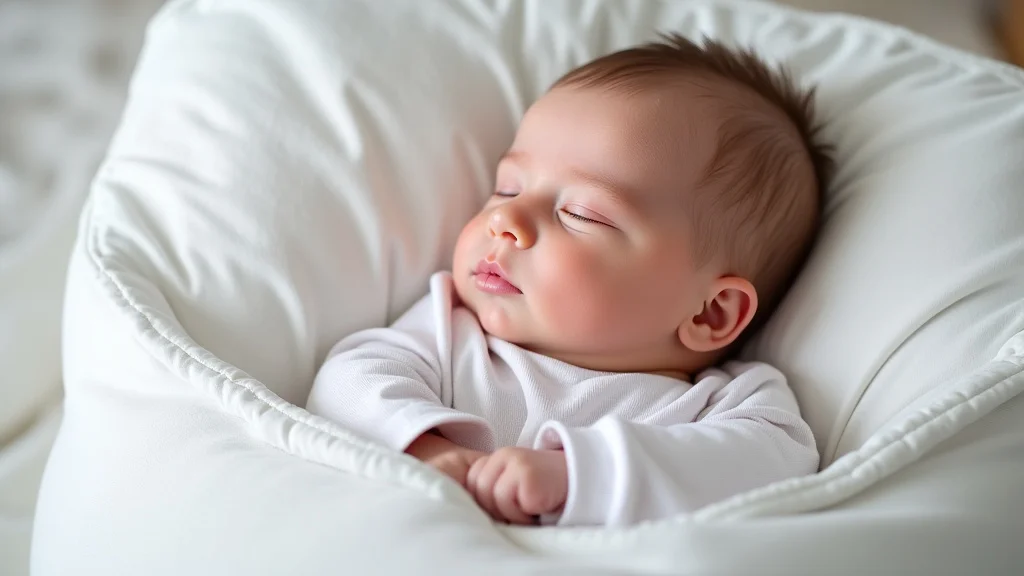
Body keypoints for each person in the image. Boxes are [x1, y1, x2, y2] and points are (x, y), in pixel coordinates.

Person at [306, 34, 834, 527]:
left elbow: (777, 466)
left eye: (581, 213)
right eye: (507, 189)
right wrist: (432, 450)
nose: (504, 222)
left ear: (709, 312)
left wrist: (575, 476)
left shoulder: (723, 408)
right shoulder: (451, 333)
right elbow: (347, 382)